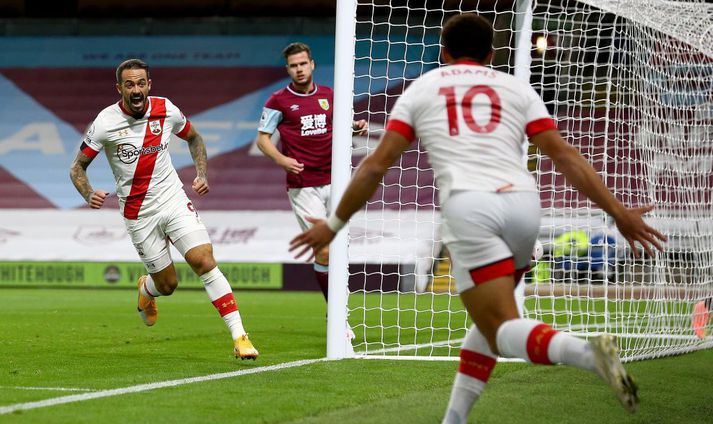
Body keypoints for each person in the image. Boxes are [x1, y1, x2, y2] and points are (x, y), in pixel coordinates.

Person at [289, 14, 667, 422]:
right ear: (491, 54)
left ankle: (587, 354)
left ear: (443, 52)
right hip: (524, 208)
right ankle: (454, 419)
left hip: (471, 208)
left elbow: (376, 165)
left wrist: (333, 223)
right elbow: (565, 155)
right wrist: (618, 212)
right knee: (488, 323)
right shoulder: (515, 88)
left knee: (502, 327)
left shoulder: (425, 87)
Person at [69, 59, 259, 360]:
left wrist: (201, 173)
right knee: (168, 285)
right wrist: (88, 192)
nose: (136, 89)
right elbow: (78, 167)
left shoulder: (166, 109)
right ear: (119, 88)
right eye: (129, 84)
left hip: (173, 200)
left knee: (203, 259)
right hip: (138, 213)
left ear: (149, 84)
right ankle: (147, 289)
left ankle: (240, 336)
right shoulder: (105, 123)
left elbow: (194, 137)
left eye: (141, 83)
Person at [256, 42, 366, 321]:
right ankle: (337, 314)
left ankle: (336, 308)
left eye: (303, 64)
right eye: (293, 65)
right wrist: (281, 160)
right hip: (304, 185)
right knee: (325, 250)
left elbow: (342, 123)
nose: (299, 69)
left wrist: (356, 125)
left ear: (312, 64)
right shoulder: (278, 101)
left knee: (338, 250)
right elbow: (262, 139)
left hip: (337, 181)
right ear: (288, 69)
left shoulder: (330, 95)